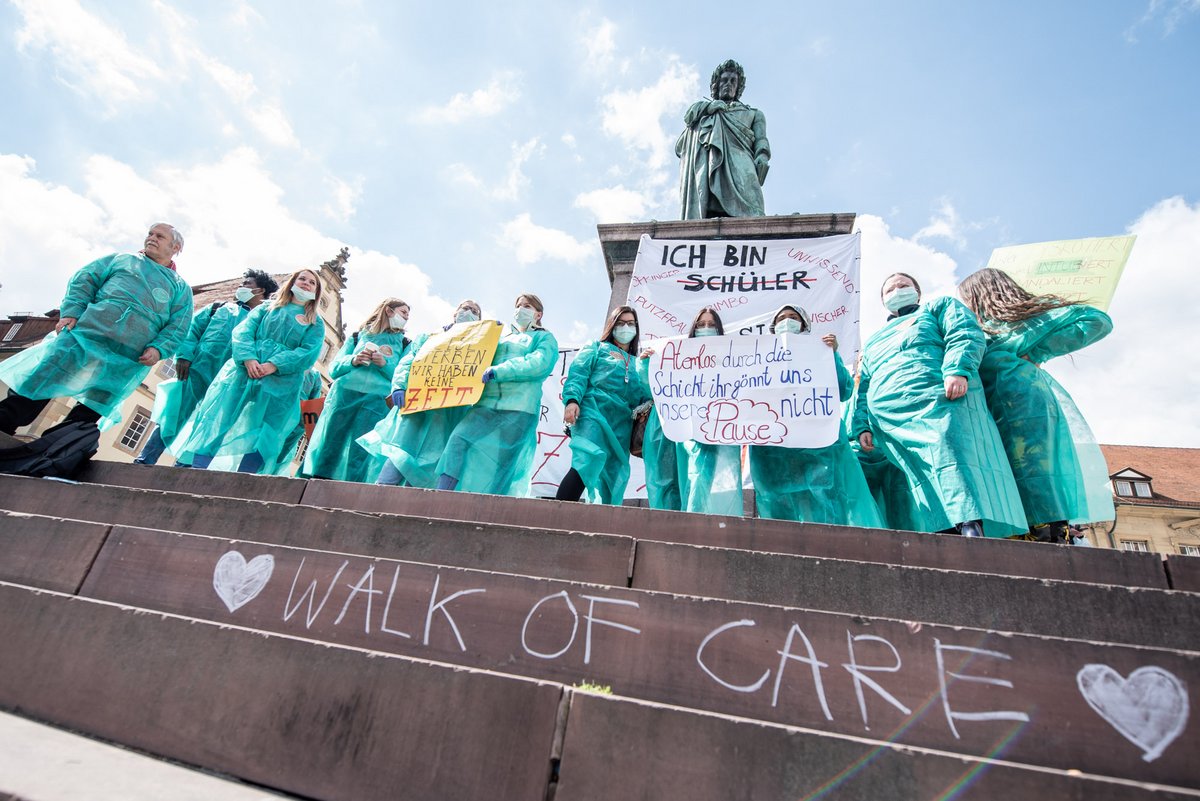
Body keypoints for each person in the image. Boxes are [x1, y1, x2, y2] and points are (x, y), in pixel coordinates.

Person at [852, 273, 1026, 538]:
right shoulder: (874, 340)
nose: (897, 291)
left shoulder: (938, 308)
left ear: (918, 292)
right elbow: (863, 385)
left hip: (936, 398)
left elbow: (964, 332)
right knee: (917, 472)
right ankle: (943, 531)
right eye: (891, 289)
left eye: (903, 285)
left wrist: (958, 369)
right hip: (888, 417)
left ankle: (970, 524)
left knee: (950, 455)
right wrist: (862, 424)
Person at [957, 267, 1114, 542]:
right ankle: (1022, 534)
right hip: (993, 412)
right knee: (1007, 472)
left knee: (1036, 469)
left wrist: (1036, 349)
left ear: (981, 294)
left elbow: (1096, 321)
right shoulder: (981, 331)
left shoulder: (1023, 323)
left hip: (1025, 406)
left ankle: (1050, 534)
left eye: (966, 299)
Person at [0, 223, 191, 435]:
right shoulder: (121, 260)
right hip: (85, 334)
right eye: (150, 234)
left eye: (160, 236)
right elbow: (84, 280)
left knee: (98, 399)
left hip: (128, 355)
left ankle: (62, 443)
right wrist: (71, 312)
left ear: (175, 248)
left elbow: (178, 326)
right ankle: (5, 422)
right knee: (47, 374)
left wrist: (159, 348)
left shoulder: (179, 288)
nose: (152, 238)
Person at [171, 269, 325, 474]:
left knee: (266, 431)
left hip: (282, 382)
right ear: (291, 283)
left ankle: (245, 477)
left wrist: (274, 364)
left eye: (312, 282)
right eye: (302, 279)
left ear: (316, 291)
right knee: (220, 418)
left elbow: (308, 352)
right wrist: (248, 358)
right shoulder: (266, 308)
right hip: (244, 372)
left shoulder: (316, 323)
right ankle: (196, 467)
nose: (306, 283)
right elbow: (244, 332)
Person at [748, 305, 882, 526]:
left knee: (826, 499)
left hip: (819, 443)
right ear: (773, 327)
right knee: (778, 501)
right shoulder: (759, 356)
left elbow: (844, 390)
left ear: (805, 325)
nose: (787, 321)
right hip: (773, 447)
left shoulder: (821, 350)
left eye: (793, 317)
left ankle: (833, 549)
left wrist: (832, 355)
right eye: (782, 318)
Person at [136, 269, 278, 465]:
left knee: (209, 424)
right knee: (174, 415)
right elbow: (192, 330)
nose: (240, 287)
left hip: (231, 380)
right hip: (197, 371)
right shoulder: (218, 308)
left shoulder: (264, 322)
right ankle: (145, 460)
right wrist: (184, 355)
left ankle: (184, 466)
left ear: (260, 290)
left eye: (246, 284)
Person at [434, 294, 558, 496]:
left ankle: (493, 503)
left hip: (519, 408)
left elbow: (539, 364)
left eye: (527, 306)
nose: (521, 309)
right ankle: (441, 495)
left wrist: (500, 371)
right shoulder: (498, 335)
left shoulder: (544, 338)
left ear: (538, 314)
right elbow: (471, 352)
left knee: (505, 462)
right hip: (485, 403)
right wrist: (455, 333)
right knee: (458, 439)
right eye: (518, 305)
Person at [361, 299, 482, 488]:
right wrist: (399, 385)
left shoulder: (479, 346)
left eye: (475, 311)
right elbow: (409, 361)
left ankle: (409, 506)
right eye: (465, 308)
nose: (469, 312)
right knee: (401, 452)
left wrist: (493, 336)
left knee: (428, 465)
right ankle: (380, 493)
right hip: (417, 405)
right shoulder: (431, 336)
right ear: (455, 313)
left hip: (448, 413)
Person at [638, 308, 742, 515]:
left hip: (713, 426)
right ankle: (677, 527)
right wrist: (646, 364)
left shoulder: (732, 356)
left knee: (701, 475)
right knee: (676, 479)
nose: (706, 328)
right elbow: (651, 388)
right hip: (679, 426)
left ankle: (694, 526)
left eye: (711, 324)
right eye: (701, 324)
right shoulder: (677, 355)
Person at [302, 298, 412, 482]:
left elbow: (403, 376)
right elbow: (334, 368)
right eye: (403, 312)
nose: (406, 318)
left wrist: (384, 364)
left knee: (360, 452)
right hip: (344, 395)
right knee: (330, 444)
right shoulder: (358, 336)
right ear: (388, 311)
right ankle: (316, 484)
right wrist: (354, 360)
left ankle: (350, 492)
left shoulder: (405, 344)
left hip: (376, 401)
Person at [556, 306, 651, 504]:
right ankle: (556, 516)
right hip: (593, 412)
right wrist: (572, 400)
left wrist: (648, 365)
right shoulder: (596, 348)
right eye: (621, 322)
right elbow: (578, 373)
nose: (626, 327)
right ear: (612, 325)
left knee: (612, 476)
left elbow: (645, 396)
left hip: (621, 425)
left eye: (631, 323)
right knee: (586, 462)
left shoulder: (638, 363)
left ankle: (600, 527)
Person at [675, 59, 770, 220]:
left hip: (741, 161)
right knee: (707, 195)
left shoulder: (754, 113)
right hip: (709, 160)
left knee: (754, 207)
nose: (728, 84)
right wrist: (708, 108)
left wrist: (762, 155)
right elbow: (685, 130)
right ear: (716, 85)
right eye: (724, 80)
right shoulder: (705, 111)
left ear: (738, 87)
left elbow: (761, 139)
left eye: (733, 81)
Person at [274, 368, 323, 475]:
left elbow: (311, 408)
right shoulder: (288, 364)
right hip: (279, 418)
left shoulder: (314, 375)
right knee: (263, 453)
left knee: (277, 456)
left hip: (294, 424)